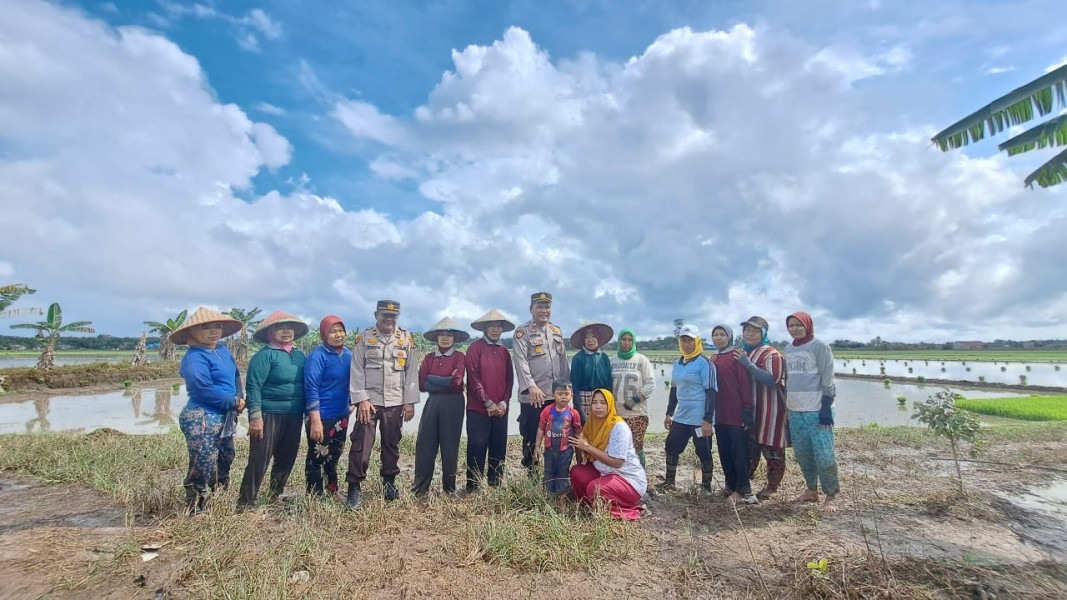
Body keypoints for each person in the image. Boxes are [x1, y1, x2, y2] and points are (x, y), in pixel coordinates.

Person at [345, 300, 419, 510]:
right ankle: (354, 488)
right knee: (361, 445)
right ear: (376, 315)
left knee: (391, 443)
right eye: (384, 315)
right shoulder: (365, 338)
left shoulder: (405, 338)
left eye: (393, 316)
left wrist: (409, 401)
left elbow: (411, 371)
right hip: (370, 401)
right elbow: (357, 369)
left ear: (398, 317)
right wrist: (362, 400)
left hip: (395, 401)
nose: (389, 319)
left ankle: (389, 483)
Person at [173, 307, 244, 514]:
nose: (213, 331)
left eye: (217, 327)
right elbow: (202, 388)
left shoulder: (222, 350)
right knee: (203, 462)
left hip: (226, 415)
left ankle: (218, 499)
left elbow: (236, 375)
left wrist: (238, 398)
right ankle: (195, 507)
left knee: (226, 456)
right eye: (206, 328)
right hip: (202, 416)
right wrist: (232, 401)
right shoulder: (194, 358)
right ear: (192, 332)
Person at [237, 310, 309, 509]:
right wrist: (255, 417)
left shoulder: (299, 356)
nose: (286, 331)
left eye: (289, 328)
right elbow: (253, 387)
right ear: (270, 332)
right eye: (280, 328)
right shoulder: (264, 356)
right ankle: (245, 502)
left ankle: (275, 495)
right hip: (268, 413)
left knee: (287, 456)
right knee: (260, 458)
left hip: (294, 414)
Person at [784, 312, 840, 513]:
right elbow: (788, 380)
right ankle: (811, 489)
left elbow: (828, 378)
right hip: (796, 409)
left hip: (817, 410)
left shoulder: (819, 347)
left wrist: (826, 406)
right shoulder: (788, 350)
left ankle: (831, 495)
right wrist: (787, 408)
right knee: (804, 453)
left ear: (807, 325)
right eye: (791, 325)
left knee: (824, 454)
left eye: (798, 324)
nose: (795, 328)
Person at [513, 292, 570, 475]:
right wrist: (531, 386)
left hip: (553, 395)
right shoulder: (522, 332)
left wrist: (566, 389)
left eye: (547, 307)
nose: (543, 310)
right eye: (539, 307)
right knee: (531, 434)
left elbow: (563, 362)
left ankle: (551, 471)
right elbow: (520, 361)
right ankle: (532, 472)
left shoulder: (557, 331)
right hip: (533, 397)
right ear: (531, 309)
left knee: (554, 433)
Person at [733, 316, 788, 500]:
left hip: (770, 412)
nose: (749, 334)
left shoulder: (771, 354)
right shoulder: (744, 352)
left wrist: (748, 365)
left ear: (763, 334)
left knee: (773, 452)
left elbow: (772, 380)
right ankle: (743, 485)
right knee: (748, 449)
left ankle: (772, 487)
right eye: (747, 330)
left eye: (755, 331)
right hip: (750, 411)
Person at [569, 389, 647, 520]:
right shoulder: (591, 423)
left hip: (628, 478)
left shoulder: (618, 427)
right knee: (577, 472)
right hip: (604, 474)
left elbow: (617, 463)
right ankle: (590, 507)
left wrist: (587, 447)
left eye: (603, 403)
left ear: (610, 405)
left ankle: (631, 510)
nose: (598, 406)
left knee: (595, 489)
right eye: (594, 402)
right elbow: (583, 451)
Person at [412, 317, 469, 496]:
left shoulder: (460, 357)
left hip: (454, 403)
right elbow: (421, 383)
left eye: (449, 335)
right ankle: (421, 488)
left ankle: (449, 488)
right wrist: (445, 380)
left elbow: (457, 383)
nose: (445, 338)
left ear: (454, 339)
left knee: (450, 444)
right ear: (436, 337)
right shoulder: (429, 357)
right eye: (442, 335)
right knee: (425, 443)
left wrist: (431, 377)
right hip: (433, 401)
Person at [661, 324, 717, 493]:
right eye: (684, 340)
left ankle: (706, 487)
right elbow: (674, 389)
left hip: (700, 417)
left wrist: (708, 420)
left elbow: (712, 392)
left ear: (698, 341)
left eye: (691, 340)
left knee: (704, 451)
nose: (687, 344)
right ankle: (669, 482)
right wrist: (669, 413)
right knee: (671, 446)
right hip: (681, 416)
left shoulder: (705, 363)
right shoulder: (677, 363)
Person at [464, 309, 516, 492]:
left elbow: (510, 380)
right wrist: (487, 402)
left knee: (498, 446)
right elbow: (473, 378)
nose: (495, 330)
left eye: (498, 326)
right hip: (478, 408)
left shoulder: (504, 351)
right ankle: (473, 485)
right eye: (492, 326)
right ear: (485, 328)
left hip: (501, 409)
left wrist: (504, 402)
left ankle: (495, 483)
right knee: (477, 445)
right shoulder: (475, 348)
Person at [303, 315, 352, 500]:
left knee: (334, 456)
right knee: (317, 457)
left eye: (340, 330)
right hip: (321, 416)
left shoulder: (347, 354)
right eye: (332, 331)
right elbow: (311, 388)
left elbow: (353, 381)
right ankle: (314, 496)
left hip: (342, 414)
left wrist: (351, 403)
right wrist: (315, 421)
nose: (337, 335)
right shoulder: (317, 356)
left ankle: (332, 491)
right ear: (324, 334)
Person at [709, 324, 757, 505]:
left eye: (722, 335)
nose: (719, 338)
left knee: (739, 453)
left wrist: (747, 411)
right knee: (725, 451)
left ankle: (742, 489)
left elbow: (745, 385)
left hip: (736, 414)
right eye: (716, 335)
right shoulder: (714, 359)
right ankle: (730, 484)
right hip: (719, 415)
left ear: (729, 337)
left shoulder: (736, 356)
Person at [609, 328, 656, 468]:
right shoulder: (611, 361)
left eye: (630, 340)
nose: (626, 343)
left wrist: (635, 399)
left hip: (636, 412)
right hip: (616, 414)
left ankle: (641, 478)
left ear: (634, 342)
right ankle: (621, 477)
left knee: (636, 447)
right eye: (624, 339)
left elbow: (651, 383)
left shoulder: (642, 360)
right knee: (617, 447)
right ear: (619, 341)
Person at [533, 380, 583, 495]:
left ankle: (562, 499)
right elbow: (541, 428)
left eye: (566, 394)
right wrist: (537, 447)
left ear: (572, 395)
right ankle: (548, 495)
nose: (563, 397)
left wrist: (580, 452)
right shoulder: (547, 411)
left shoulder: (573, 413)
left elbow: (578, 433)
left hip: (565, 451)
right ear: (553, 395)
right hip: (550, 450)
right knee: (549, 472)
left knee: (562, 474)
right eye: (560, 394)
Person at [569, 322, 613, 425]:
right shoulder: (578, 359)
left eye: (593, 336)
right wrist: (580, 411)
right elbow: (575, 387)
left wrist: (609, 402)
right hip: (584, 399)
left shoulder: (604, 357)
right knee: (585, 430)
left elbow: (609, 383)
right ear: (583, 340)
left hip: (602, 397)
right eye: (587, 337)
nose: (590, 340)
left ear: (598, 338)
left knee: (602, 429)